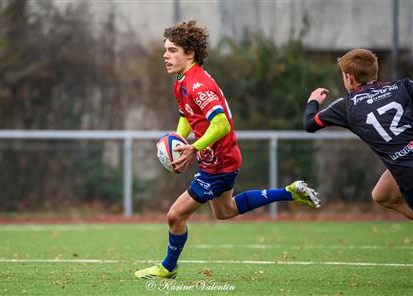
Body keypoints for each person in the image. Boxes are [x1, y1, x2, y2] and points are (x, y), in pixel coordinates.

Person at [134, 20, 320, 280]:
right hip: (217, 159)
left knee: (175, 216)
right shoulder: (182, 81)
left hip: (219, 164)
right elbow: (187, 116)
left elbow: (221, 123)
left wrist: (192, 149)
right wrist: (178, 140)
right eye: (165, 49)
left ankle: (168, 267)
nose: (165, 55)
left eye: (172, 50)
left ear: (190, 53)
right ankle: (289, 192)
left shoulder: (198, 85)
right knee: (225, 211)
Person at [304, 48, 413, 219]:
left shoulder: (347, 106)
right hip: (406, 162)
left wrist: (313, 101)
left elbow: (309, 123)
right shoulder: (403, 86)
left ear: (349, 78)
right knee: (382, 194)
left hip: (406, 171)